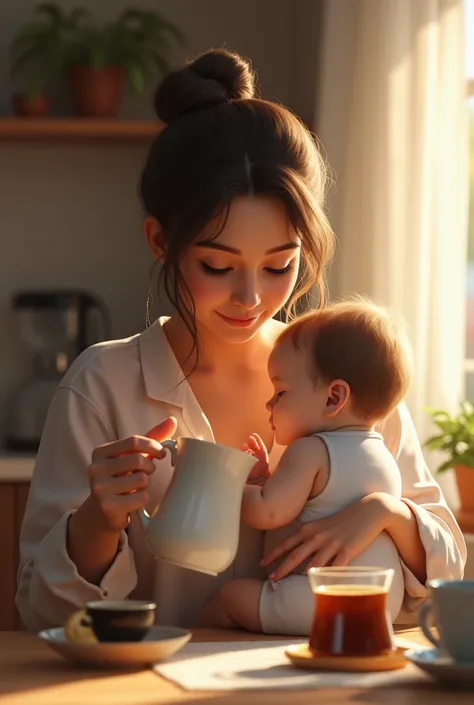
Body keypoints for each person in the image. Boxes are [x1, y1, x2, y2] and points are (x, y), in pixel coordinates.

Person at [16, 49, 466, 632]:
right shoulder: (103, 388)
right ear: (160, 241)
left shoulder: (348, 375)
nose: (250, 298)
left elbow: (448, 579)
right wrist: (98, 524)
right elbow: (38, 615)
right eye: (218, 265)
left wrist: (387, 514)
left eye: (279, 266)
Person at [199, 299, 412, 634]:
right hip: (379, 602)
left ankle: (193, 649)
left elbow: (270, 513)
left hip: (320, 598)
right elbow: (315, 501)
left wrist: (225, 482)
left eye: (280, 392)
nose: (269, 403)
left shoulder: (310, 451)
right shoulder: (380, 455)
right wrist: (262, 480)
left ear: (333, 398)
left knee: (230, 598)